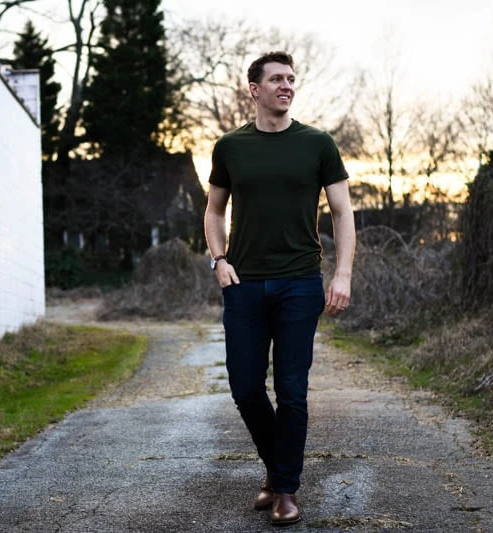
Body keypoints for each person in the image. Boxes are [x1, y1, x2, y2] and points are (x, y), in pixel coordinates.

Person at [204, 51, 355, 526]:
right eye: (276, 79)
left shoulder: (318, 144)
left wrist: (343, 273)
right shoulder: (230, 147)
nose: (286, 85)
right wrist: (219, 259)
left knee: (292, 391)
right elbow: (213, 211)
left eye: (291, 79)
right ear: (254, 89)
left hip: (299, 282)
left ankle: (285, 489)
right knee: (246, 388)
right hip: (244, 283)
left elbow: (343, 212)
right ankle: (275, 468)